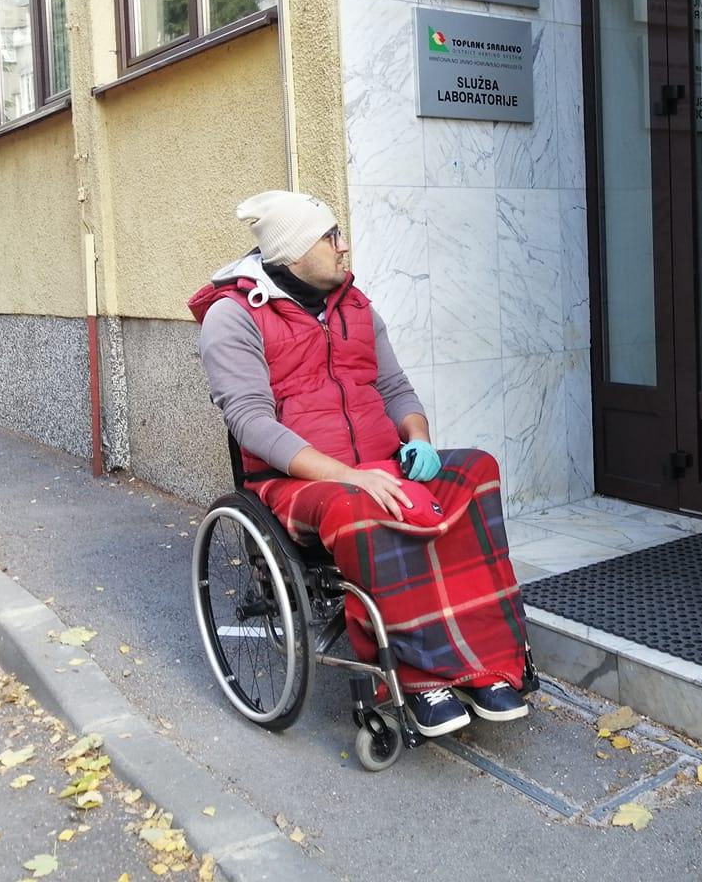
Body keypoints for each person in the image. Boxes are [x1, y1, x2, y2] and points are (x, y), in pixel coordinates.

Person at [189, 190, 530, 738]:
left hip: (380, 463)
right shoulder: (233, 318)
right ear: (295, 251)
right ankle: (419, 678)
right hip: (295, 480)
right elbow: (251, 422)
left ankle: (485, 659)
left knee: (477, 470)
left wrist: (416, 439)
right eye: (331, 237)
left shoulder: (357, 307)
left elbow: (394, 387)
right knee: (361, 507)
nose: (343, 248)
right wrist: (349, 474)